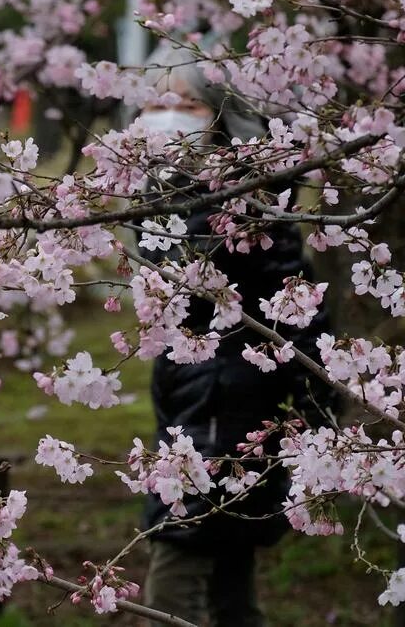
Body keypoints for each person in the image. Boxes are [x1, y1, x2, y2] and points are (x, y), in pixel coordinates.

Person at [132, 42, 338, 627]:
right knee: (226, 576)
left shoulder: (242, 200)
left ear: (220, 117)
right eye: (157, 100)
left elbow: (297, 310)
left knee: (178, 560)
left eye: (187, 102)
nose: (167, 111)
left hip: (227, 403)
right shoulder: (166, 188)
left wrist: (319, 407)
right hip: (196, 394)